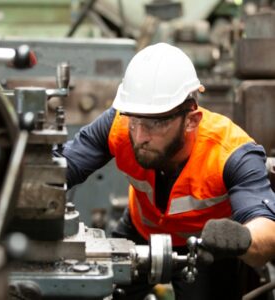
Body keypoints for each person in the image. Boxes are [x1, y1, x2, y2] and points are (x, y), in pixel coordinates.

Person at [54, 43, 275, 300]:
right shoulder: (119, 125)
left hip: (205, 247)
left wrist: (242, 238)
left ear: (191, 120)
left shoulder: (231, 153)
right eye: (134, 120)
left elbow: (267, 232)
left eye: (155, 123)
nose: (139, 136)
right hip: (139, 230)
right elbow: (61, 168)